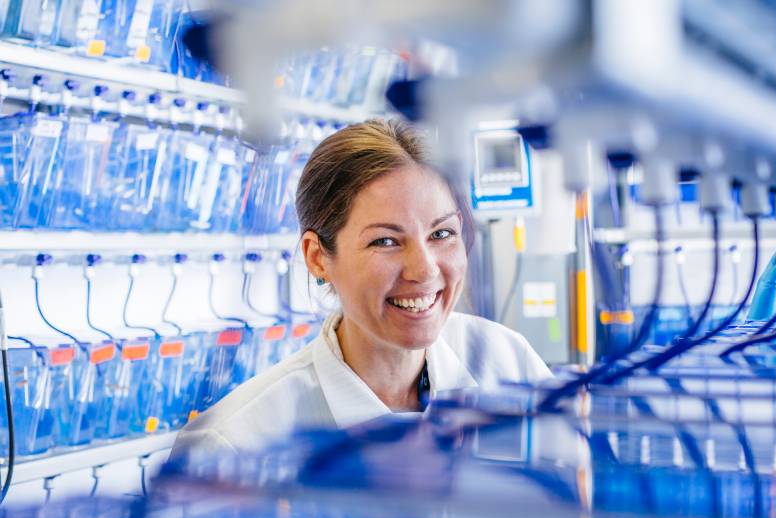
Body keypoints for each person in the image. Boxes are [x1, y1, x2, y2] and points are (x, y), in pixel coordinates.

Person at [171, 119, 552, 457]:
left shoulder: (507, 363)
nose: (423, 270)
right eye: (385, 241)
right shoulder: (232, 444)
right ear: (317, 257)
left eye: (441, 233)